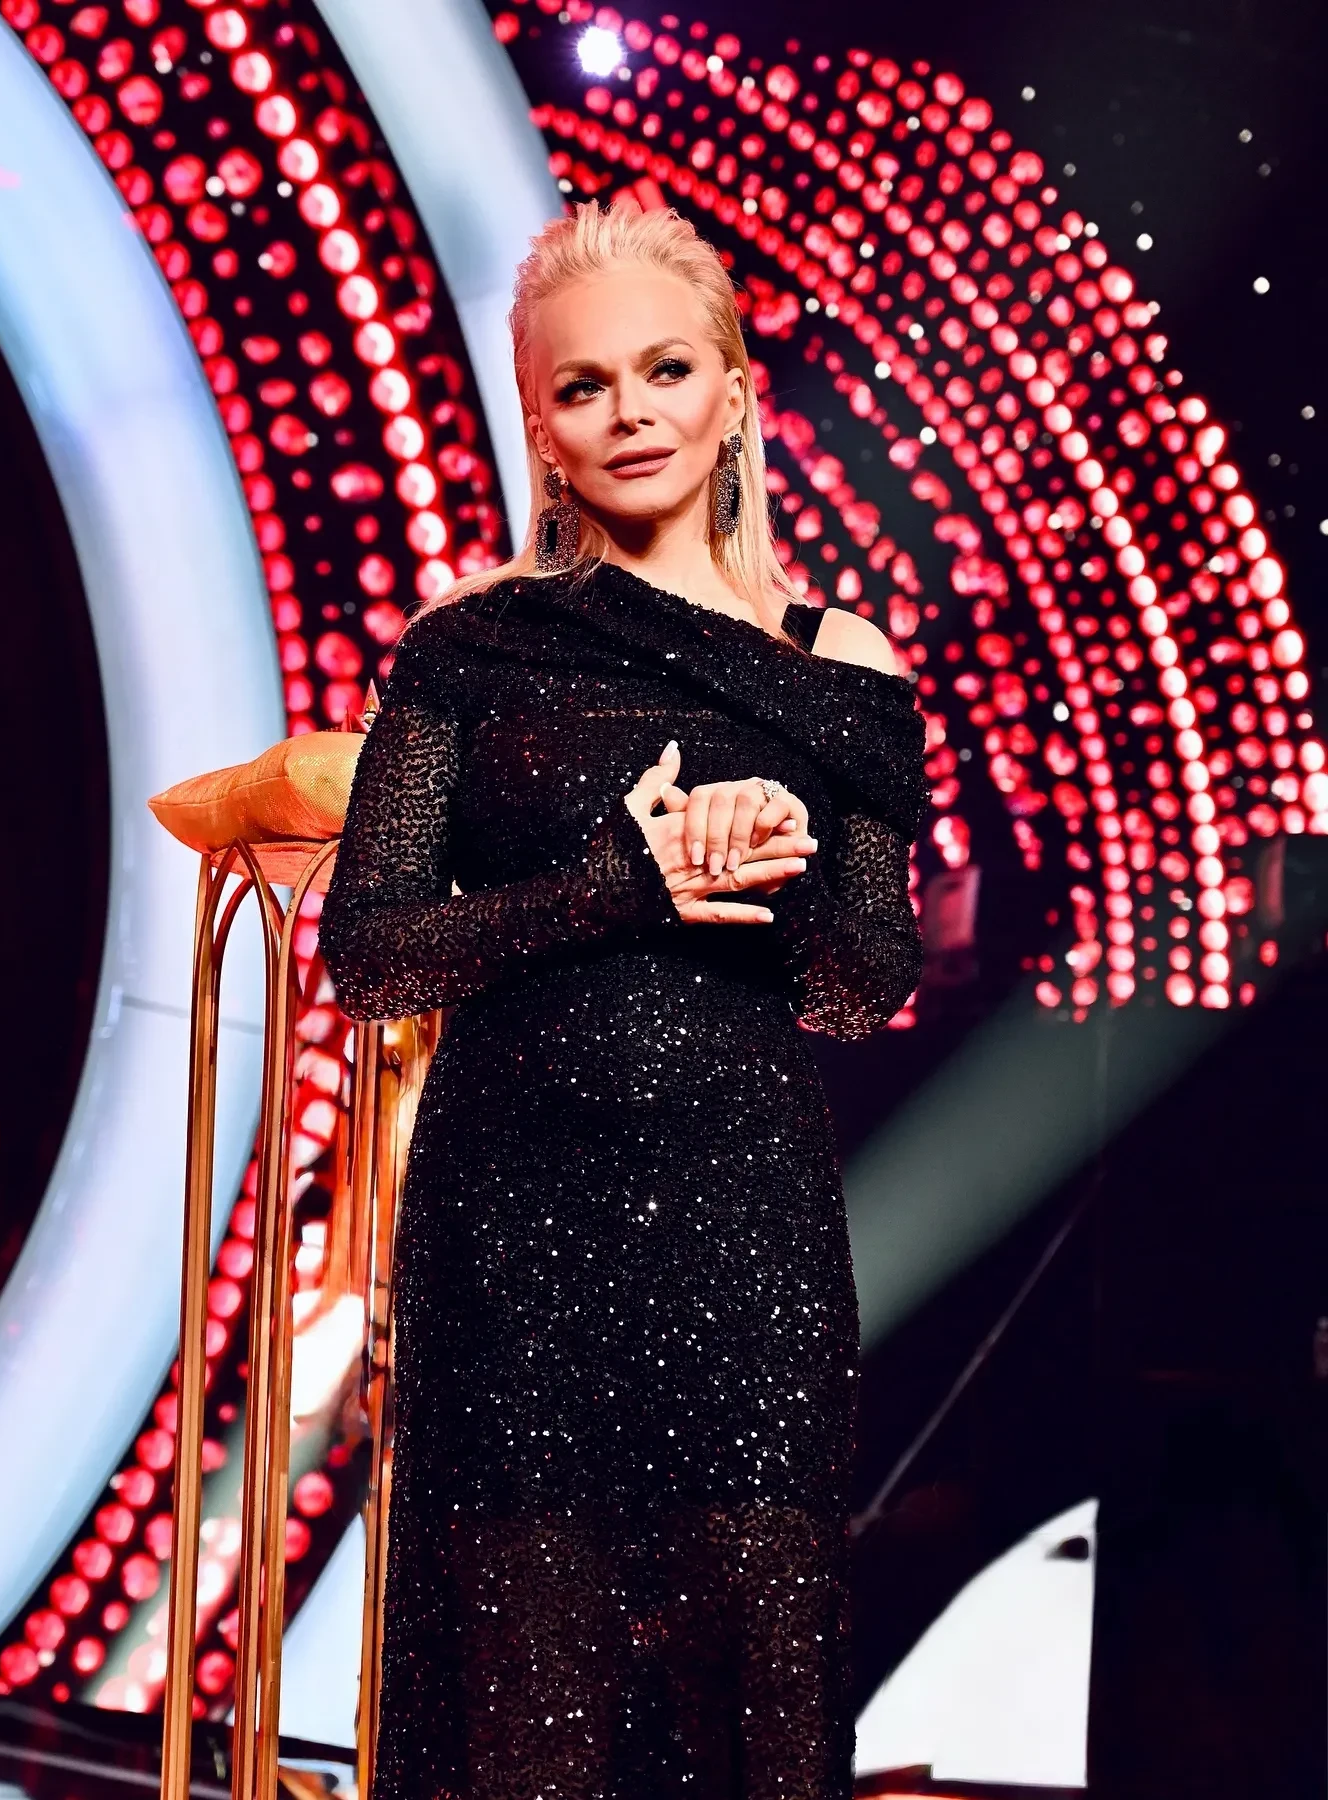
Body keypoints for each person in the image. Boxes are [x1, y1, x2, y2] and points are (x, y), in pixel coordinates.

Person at [318, 200, 927, 1799]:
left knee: (759, 1682)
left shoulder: (842, 660)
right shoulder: (470, 645)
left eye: (665, 369)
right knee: (530, 1698)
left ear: (733, 390)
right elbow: (369, 957)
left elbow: (863, 989)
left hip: (746, 1236)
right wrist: (611, 889)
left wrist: (781, 875)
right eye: (584, 387)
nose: (631, 412)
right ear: (541, 425)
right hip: (513, 1229)